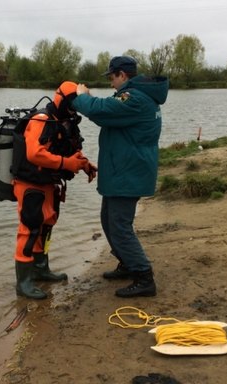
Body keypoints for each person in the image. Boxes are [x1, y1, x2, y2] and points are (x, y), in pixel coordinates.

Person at [73, 56, 169, 298]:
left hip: (128, 173)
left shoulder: (134, 98)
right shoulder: (138, 96)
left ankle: (144, 277)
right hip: (124, 172)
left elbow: (100, 111)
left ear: (122, 75)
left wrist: (81, 95)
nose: (111, 84)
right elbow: (109, 111)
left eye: (112, 77)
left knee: (119, 226)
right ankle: (127, 263)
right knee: (108, 220)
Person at [11, 81, 97, 299]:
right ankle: (23, 283)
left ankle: (41, 270)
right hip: (29, 183)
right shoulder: (41, 120)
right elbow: (34, 154)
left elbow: (73, 149)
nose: (74, 108)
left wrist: (85, 164)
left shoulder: (65, 122)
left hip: (48, 183)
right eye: (72, 103)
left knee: (46, 224)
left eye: (76, 105)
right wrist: (66, 164)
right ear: (61, 99)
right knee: (30, 229)